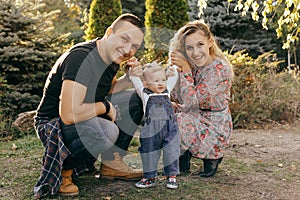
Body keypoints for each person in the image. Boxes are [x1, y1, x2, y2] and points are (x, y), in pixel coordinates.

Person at [33, 13, 145, 198]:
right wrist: (106, 108)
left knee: (136, 99)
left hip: (82, 116)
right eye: (124, 39)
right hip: (54, 124)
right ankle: (63, 171)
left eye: (134, 46)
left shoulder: (111, 57)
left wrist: (129, 78)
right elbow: (68, 114)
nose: (127, 49)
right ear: (109, 32)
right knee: (107, 131)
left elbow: (107, 91)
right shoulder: (81, 58)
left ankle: (111, 163)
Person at [169, 20, 234, 178]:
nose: (196, 52)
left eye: (200, 45)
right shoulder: (192, 64)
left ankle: (213, 157)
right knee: (163, 109)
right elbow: (177, 97)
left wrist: (185, 71)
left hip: (214, 123)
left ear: (210, 42)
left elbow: (192, 101)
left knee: (180, 120)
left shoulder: (219, 69)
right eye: (189, 48)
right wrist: (174, 72)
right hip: (194, 113)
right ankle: (182, 156)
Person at [128, 62, 180, 189]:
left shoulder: (167, 91)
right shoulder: (145, 93)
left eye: (163, 79)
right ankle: (149, 177)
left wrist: (173, 68)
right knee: (149, 151)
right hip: (151, 129)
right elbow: (135, 79)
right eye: (156, 81)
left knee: (172, 151)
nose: (161, 83)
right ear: (146, 83)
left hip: (170, 128)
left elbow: (174, 77)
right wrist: (133, 68)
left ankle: (171, 176)